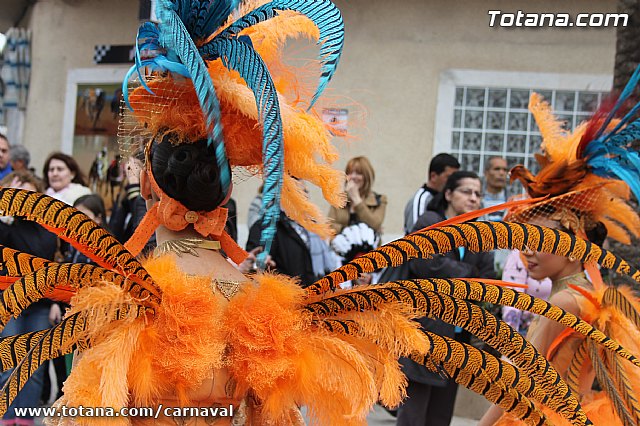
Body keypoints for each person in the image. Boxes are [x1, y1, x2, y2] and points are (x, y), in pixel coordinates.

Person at [479, 88, 640, 425]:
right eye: (524, 239)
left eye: (539, 239)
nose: (527, 250)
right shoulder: (586, 290)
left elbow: (523, 376)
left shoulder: (567, 300)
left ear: (573, 242)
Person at [397, 170, 496, 426]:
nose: (473, 198)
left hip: (458, 336)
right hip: (426, 331)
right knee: (414, 412)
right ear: (449, 194)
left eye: (478, 194)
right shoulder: (430, 221)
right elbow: (426, 265)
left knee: (441, 414)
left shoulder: (479, 234)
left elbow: (487, 280)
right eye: (467, 191)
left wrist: (468, 279)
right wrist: (469, 276)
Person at [0, 171, 57, 426]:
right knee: (9, 366)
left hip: (39, 305)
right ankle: (6, 418)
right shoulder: (3, 224)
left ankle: (25, 421)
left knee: (33, 367)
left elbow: (42, 256)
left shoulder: (46, 227)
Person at [328, 156, 387, 234]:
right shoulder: (339, 199)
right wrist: (348, 230)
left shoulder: (379, 200)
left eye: (358, 173)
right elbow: (329, 226)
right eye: (350, 173)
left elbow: (375, 224)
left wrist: (356, 198)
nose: (353, 176)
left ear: (367, 176)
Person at [403, 153, 459, 235]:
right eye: (449, 177)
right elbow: (417, 236)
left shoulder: (444, 199)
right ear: (433, 176)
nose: (453, 182)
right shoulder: (421, 200)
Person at [482, 156, 509, 222]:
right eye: (497, 169)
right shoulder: (476, 201)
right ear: (486, 173)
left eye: (505, 170)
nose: (501, 173)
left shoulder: (514, 203)